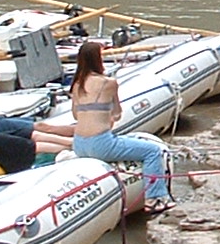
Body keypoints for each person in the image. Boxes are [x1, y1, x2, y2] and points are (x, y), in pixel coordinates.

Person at [37, 40, 174, 213]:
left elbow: (76, 115)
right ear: (97, 59)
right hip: (101, 144)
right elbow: (117, 113)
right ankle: (155, 199)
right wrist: (106, 115)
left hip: (79, 144)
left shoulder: (77, 84)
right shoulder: (109, 83)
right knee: (152, 151)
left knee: (127, 141)